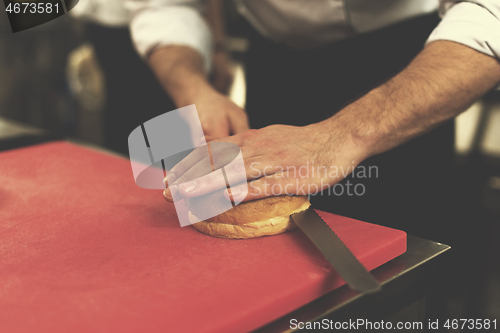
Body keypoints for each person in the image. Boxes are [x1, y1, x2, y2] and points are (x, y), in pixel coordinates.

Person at [135, 0, 500, 246]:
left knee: (393, 263)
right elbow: (164, 4)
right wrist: (195, 89)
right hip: (277, 61)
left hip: (413, 68)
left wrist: (343, 134)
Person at [71, 0, 235, 154]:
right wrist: (196, 92)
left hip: (162, 28)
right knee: (125, 120)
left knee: (165, 137)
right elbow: (166, 8)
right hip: (115, 24)